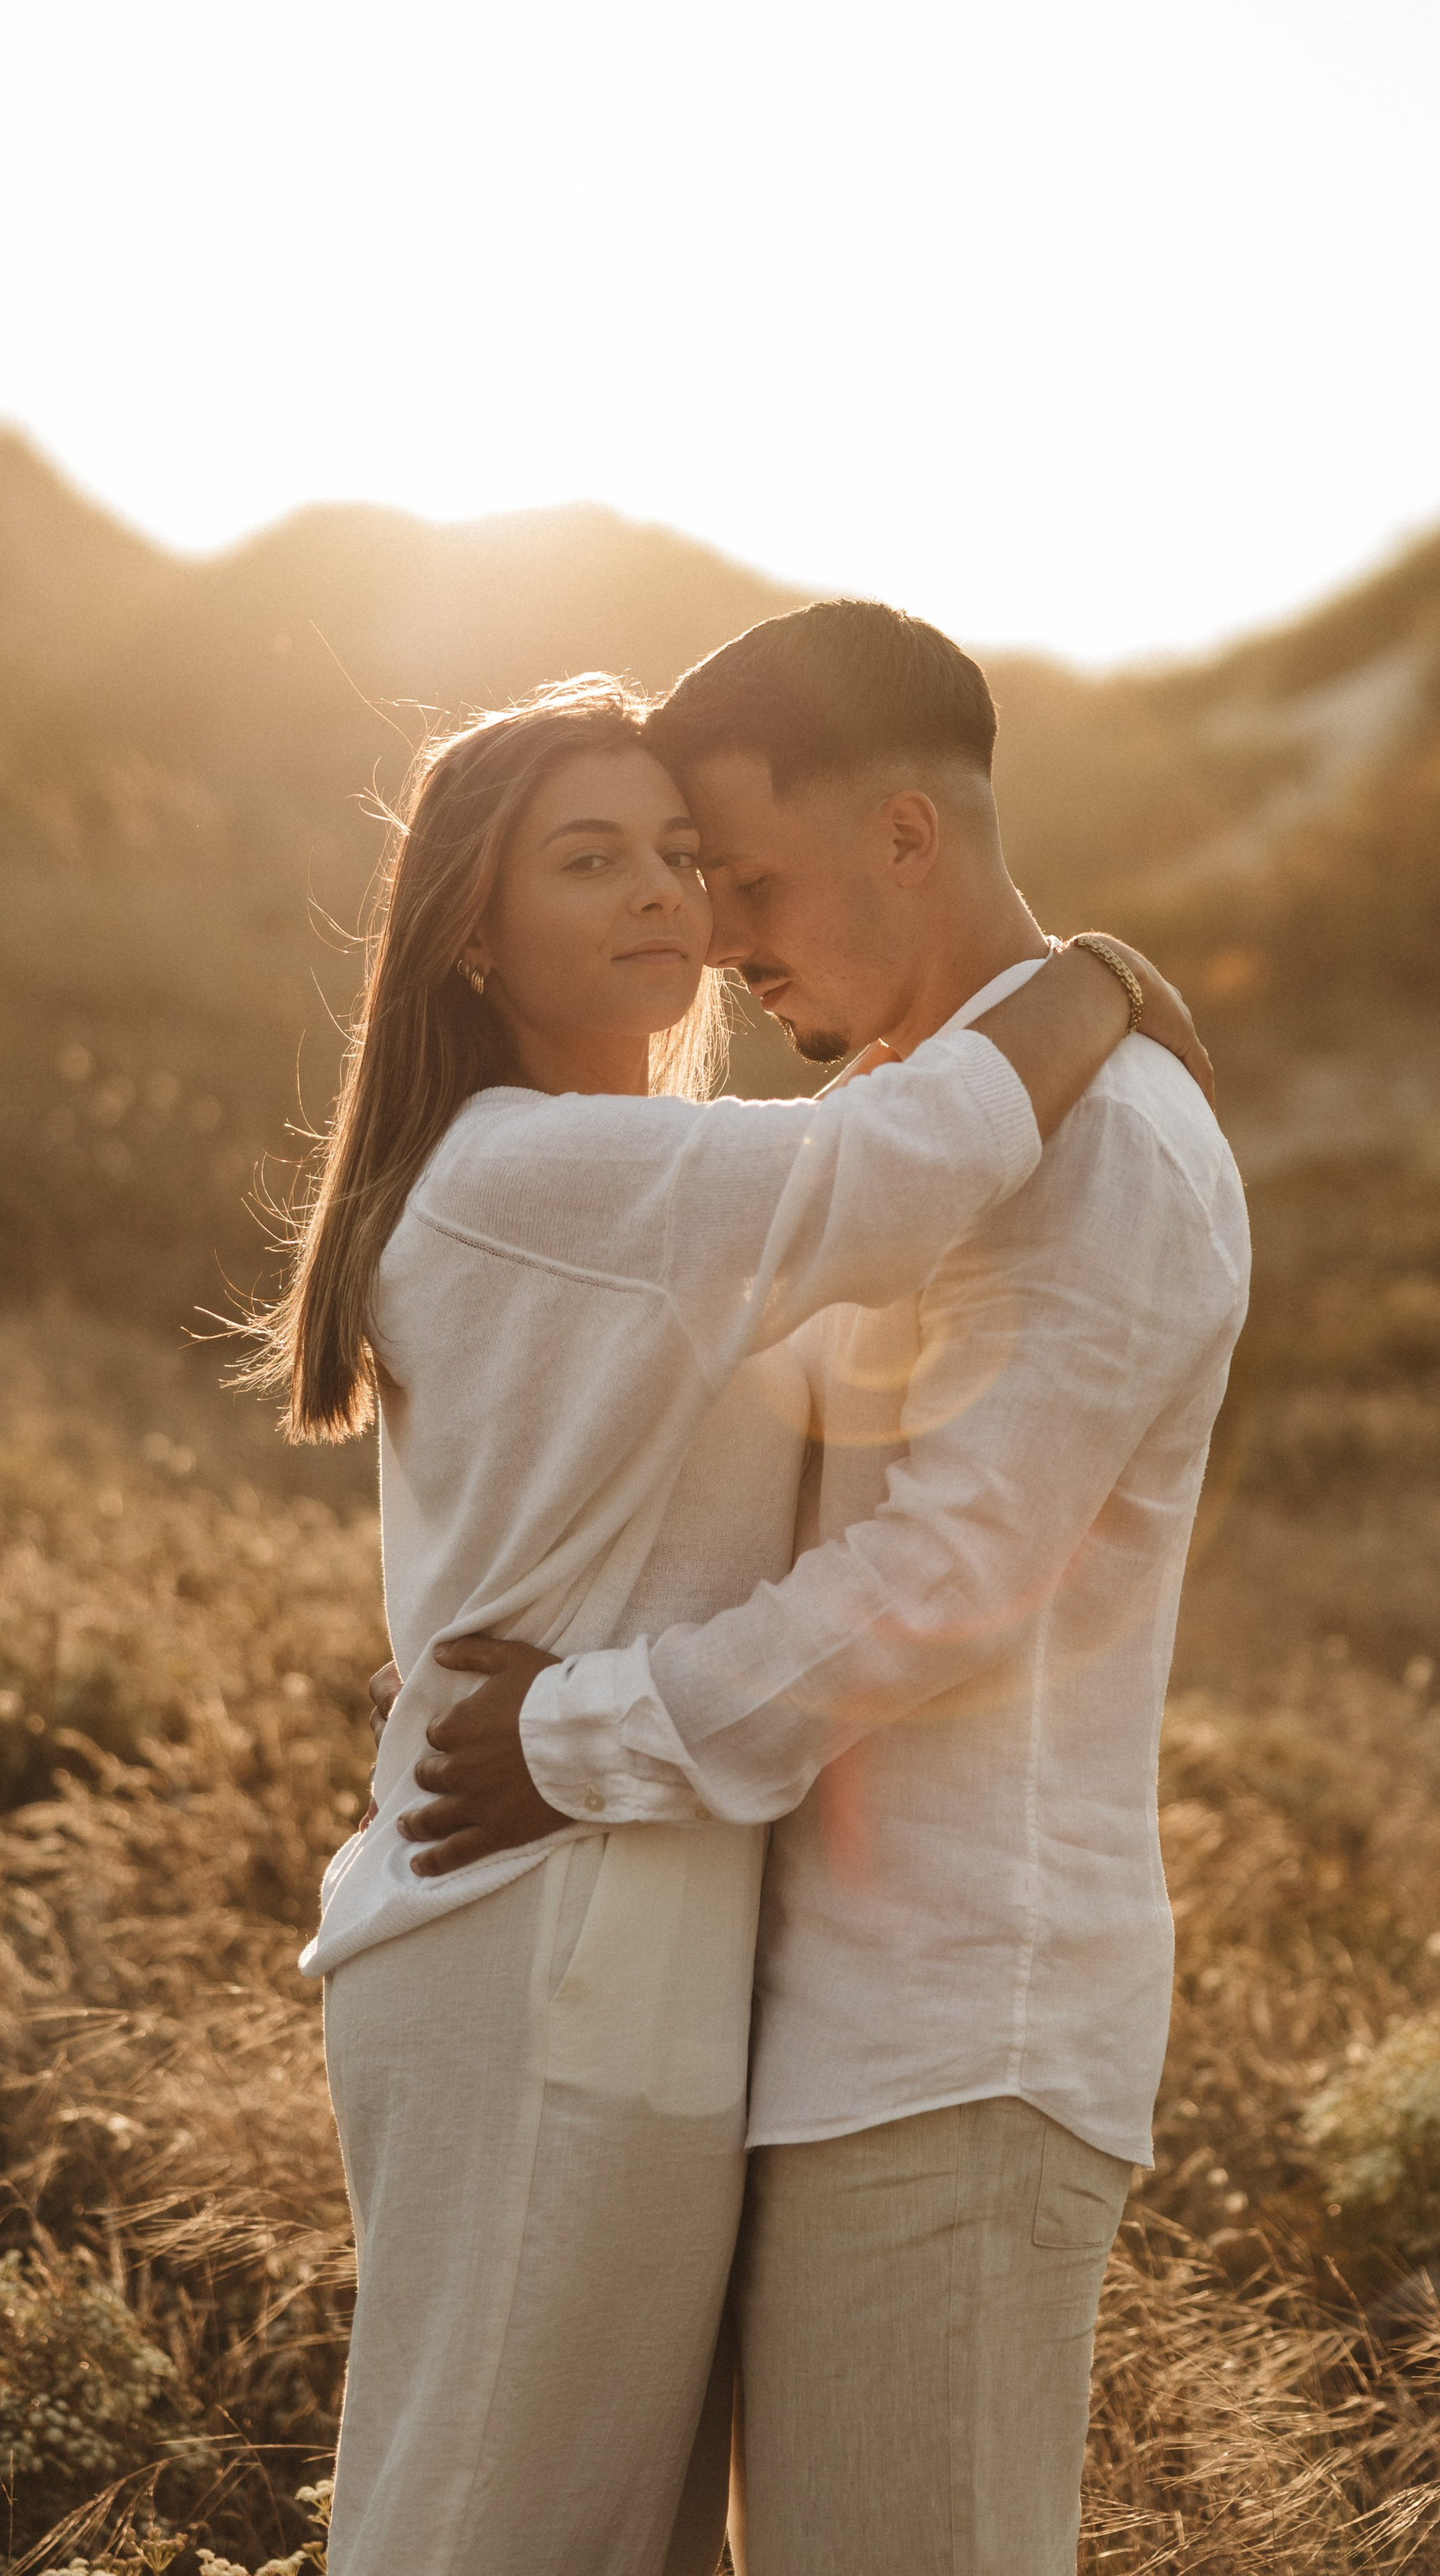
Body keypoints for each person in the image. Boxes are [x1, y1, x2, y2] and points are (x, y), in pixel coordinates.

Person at [249, 669, 1205, 2576]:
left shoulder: (663, 1189)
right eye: (591, 858)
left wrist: (571, 1707)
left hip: (643, 1907)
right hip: (540, 1910)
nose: (677, 903)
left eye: (688, 857)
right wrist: (1090, 977)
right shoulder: (546, 1173)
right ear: (465, 931)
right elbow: (898, 1161)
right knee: (484, 2533)